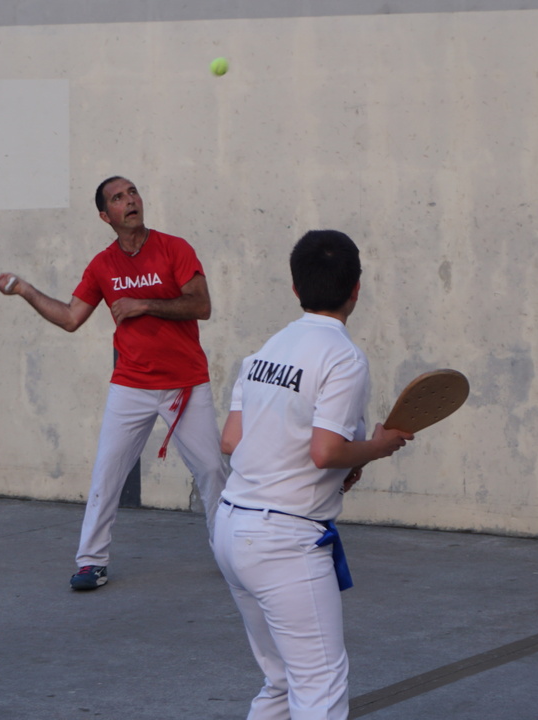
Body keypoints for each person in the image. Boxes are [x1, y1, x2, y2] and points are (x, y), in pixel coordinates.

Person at [212, 230, 413, 720]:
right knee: (319, 689)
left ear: (295, 288)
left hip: (232, 531)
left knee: (283, 683)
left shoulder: (265, 350)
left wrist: (344, 462)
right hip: (284, 543)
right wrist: (379, 447)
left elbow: (233, 441)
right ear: (357, 289)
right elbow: (325, 451)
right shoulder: (343, 357)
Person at [0, 176, 228, 591]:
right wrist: (25, 290)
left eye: (133, 192)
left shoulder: (175, 248)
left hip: (185, 384)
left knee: (211, 470)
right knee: (107, 474)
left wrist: (144, 304)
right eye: (118, 198)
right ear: (106, 216)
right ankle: (91, 562)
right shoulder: (102, 265)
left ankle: (230, 553)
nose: (130, 200)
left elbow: (201, 304)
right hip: (131, 385)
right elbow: (71, 318)